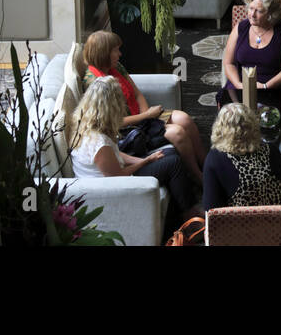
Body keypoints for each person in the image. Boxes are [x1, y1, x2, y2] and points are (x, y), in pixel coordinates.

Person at [70, 76, 201, 240]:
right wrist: (145, 161)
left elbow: (114, 154)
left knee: (169, 154)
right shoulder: (98, 142)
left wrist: (141, 160)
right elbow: (116, 177)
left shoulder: (85, 126)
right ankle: (190, 218)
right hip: (116, 187)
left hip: (115, 174)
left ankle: (178, 217)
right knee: (173, 163)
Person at [82, 30, 207, 182]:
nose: (120, 54)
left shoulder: (117, 67)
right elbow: (111, 122)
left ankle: (206, 165)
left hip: (143, 118)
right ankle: (198, 177)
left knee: (184, 119)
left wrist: (147, 115)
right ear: (104, 53)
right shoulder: (94, 82)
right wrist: (146, 117)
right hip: (126, 131)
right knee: (177, 133)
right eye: (116, 50)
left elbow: (137, 94)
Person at [202, 102, 281, 211]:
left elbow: (211, 207)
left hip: (244, 224)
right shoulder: (271, 150)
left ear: (219, 128)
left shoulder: (215, 159)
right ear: (252, 124)